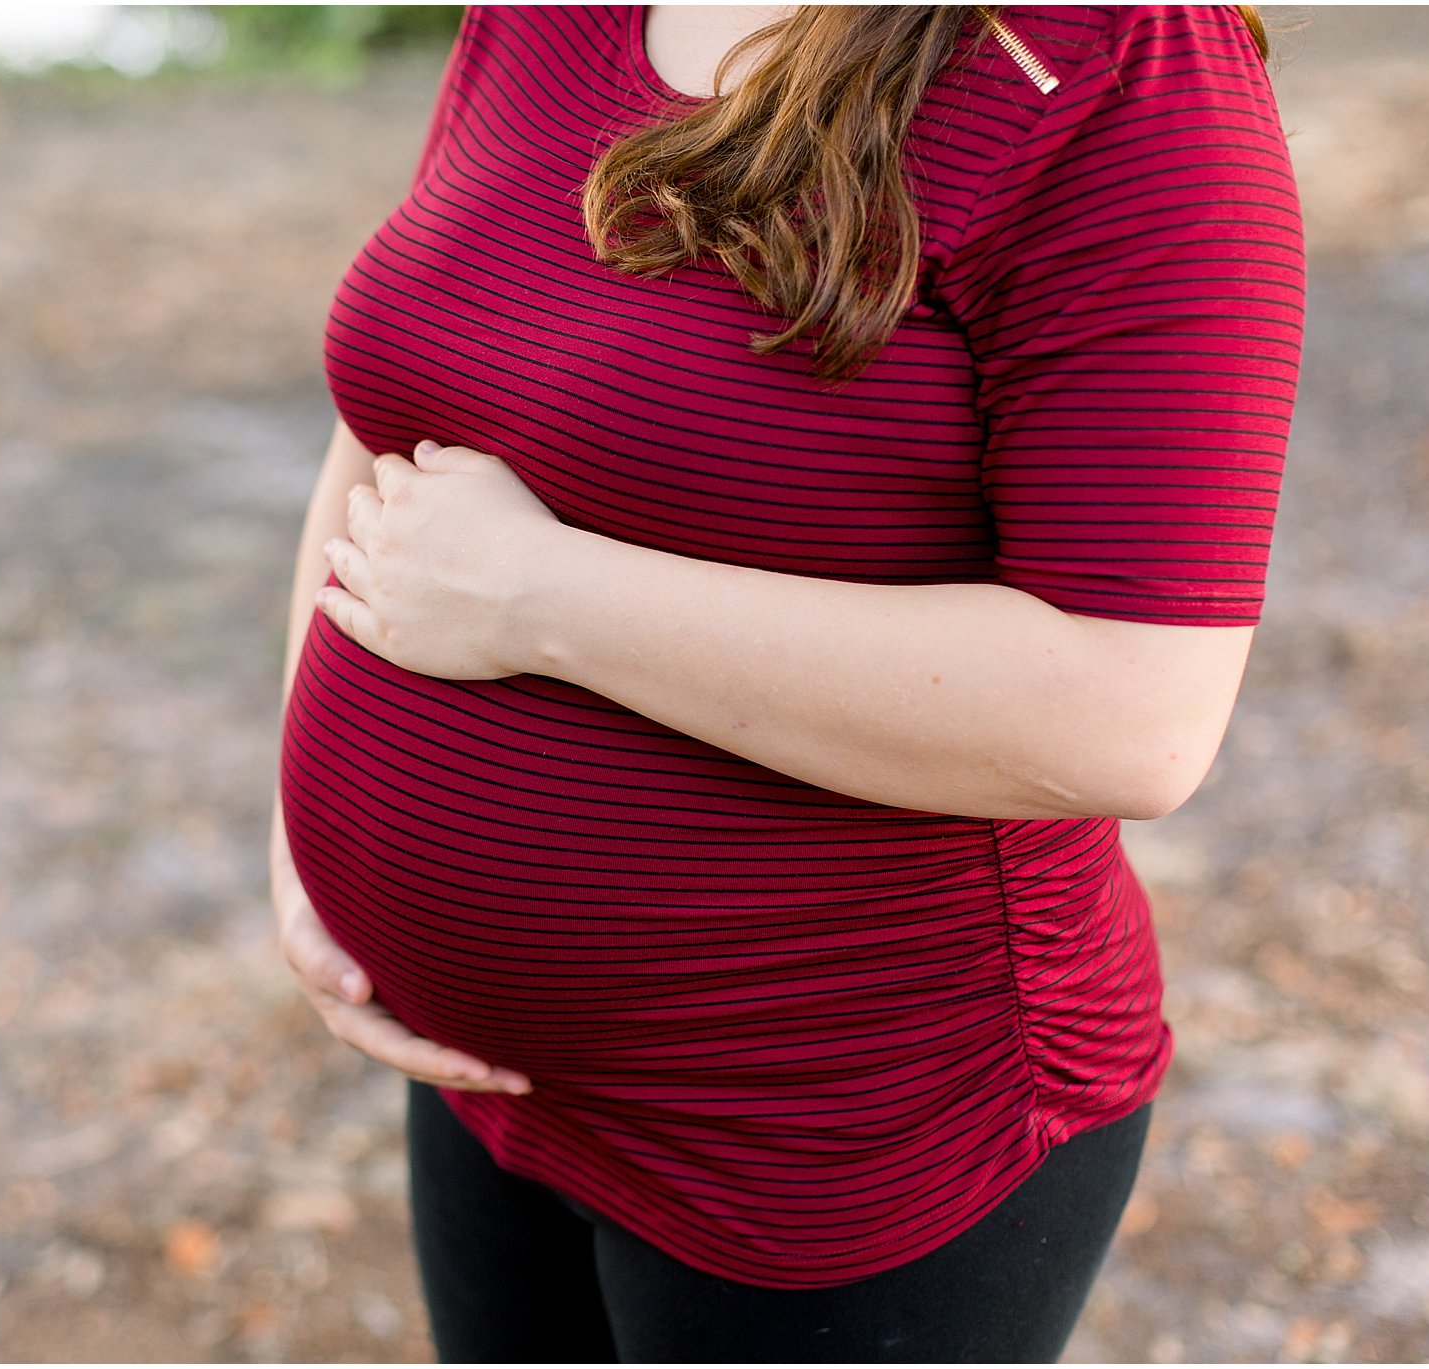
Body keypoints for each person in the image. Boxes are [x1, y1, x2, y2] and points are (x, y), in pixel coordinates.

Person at [270, 3, 1304, 1361]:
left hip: (835, 1129)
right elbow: (400, 411)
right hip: (486, 1078)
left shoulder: (1123, 77)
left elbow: (1135, 710)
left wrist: (547, 599)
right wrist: (298, 845)